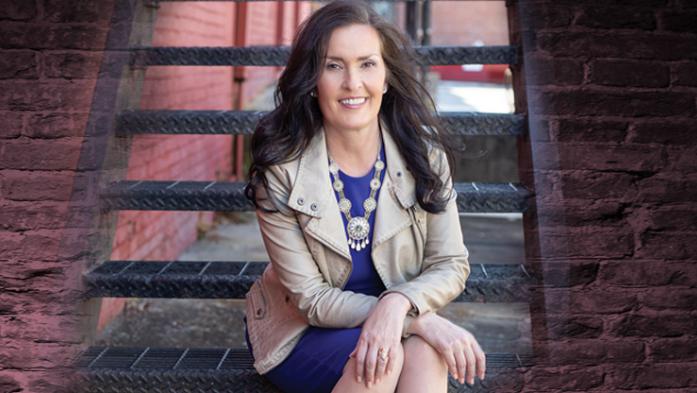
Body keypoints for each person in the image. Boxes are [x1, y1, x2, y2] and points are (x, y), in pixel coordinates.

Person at [243, 1, 485, 392]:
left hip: (396, 321)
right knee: (384, 359)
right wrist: (414, 318)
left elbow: (450, 263)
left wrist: (397, 305)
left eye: (367, 64)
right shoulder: (281, 173)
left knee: (426, 353)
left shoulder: (425, 160)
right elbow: (312, 300)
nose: (352, 83)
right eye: (334, 65)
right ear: (311, 81)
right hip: (302, 330)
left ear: (387, 78)